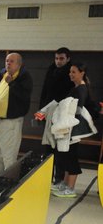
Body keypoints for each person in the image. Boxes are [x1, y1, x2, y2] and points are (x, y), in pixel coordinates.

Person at [0, 52, 33, 180]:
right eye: (6, 61)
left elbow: (23, 97)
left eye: (12, 61)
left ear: (19, 64)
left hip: (10, 122)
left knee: (9, 154)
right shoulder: (3, 74)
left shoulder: (24, 77)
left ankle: (9, 180)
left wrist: (12, 83)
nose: (8, 63)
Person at [52, 62, 96, 198]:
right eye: (70, 72)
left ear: (82, 73)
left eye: (74, 72)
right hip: (69, 126)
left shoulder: (81, 89)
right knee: (66, 155)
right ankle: (65, 184)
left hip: (73, 128)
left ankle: (71, 188)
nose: (70, 74)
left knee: (71, 156)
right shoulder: (76, 88)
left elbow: (77, 109)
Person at [38, 47, 74, 186]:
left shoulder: (70, 72)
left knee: (60, 148)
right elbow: (44, 92)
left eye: (61, 59)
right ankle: (47, 175)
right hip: (48, 112)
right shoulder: (51, 69)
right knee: (48, 147)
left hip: (62, 114)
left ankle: (59, 179)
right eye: (56, 58)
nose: (58, 61)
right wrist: (41, 111)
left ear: (68, 59)